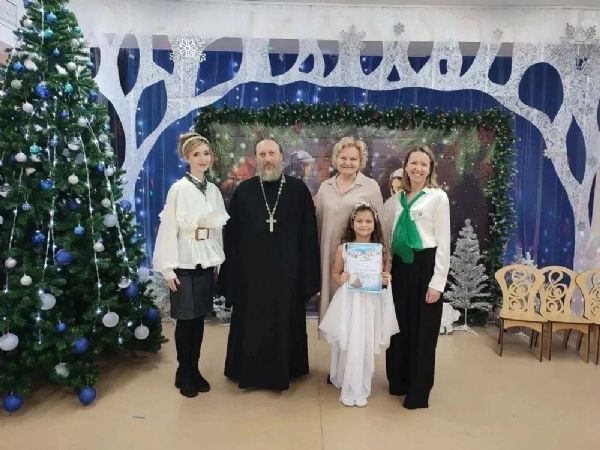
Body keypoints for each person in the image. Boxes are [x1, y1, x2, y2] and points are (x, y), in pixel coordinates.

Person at [220, 138, 320, 391]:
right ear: (255, 159)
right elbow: (233, 238)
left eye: (271, 153)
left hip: (288, 274)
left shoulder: (298, 190)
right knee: (251, 323)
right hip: (251, 275)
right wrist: (231, 276)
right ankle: (249, 371)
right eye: (262, 154)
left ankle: (289, 368)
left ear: (281, 157)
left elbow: (308, 236)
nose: (267, 159)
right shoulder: (244, 191)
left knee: (286, 321)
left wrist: (309, 277)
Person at [153, 132, 229, 398]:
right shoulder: (179, 189)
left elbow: (217, 228)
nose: (203, 159)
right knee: (185, 321)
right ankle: (183, 371)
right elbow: (168, 228)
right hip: (184, 262)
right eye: (196, 154)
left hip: (205, 261)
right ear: (187, 157)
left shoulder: (213, 190)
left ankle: (193, 369)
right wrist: (167, 268)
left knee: (198, 321)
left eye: (206, 153)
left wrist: (218, 259)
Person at [382, 145, 450, 409]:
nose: (418, 168)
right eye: (413, 163)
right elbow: (390, 235)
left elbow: (443, 244)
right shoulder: (397, 199)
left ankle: (418, 391)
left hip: (425, 266)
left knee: (423, 332)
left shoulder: (437, 198)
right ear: (406, 166)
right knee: (399, 327)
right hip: (401, 267)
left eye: (423, 164)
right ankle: (398, 381)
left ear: (430, 168)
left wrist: (437, 283)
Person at [319, 202, 399, 407]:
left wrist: (386, 278)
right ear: (352, 224)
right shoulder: (344, 249)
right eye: (360, 221)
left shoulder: (381, 251)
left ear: (375, 224)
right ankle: (349, 385)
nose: (364, 225)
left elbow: (383, 276)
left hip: (370, 302)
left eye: (368, 221)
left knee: (364, 342)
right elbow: (335, 274)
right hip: (349, 302)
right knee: (350, 340)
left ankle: (362, 386)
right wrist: (342, 277)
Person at [315, 137, 384, 332]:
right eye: (343, 158)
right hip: (328, 255)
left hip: (359, 259)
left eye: (353, 159)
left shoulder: (370, 187)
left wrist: (384, 261)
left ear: (361, 161)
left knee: (354, 311)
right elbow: (318, 222)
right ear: (336, 159)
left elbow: (381, 226)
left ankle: (354, 346)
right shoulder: (325, 187)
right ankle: (337, 346)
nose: (347, 162)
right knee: (332, 307)